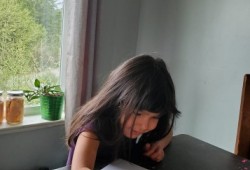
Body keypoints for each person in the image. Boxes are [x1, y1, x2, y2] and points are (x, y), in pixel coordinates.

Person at [66, 55, 180, 170]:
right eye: (138, 113)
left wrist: (159, 145)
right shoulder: (94, 127)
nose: (144, 125)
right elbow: (80, 167)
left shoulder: (138, 124)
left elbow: (167, 131)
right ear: (118, 101)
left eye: (155, 117)